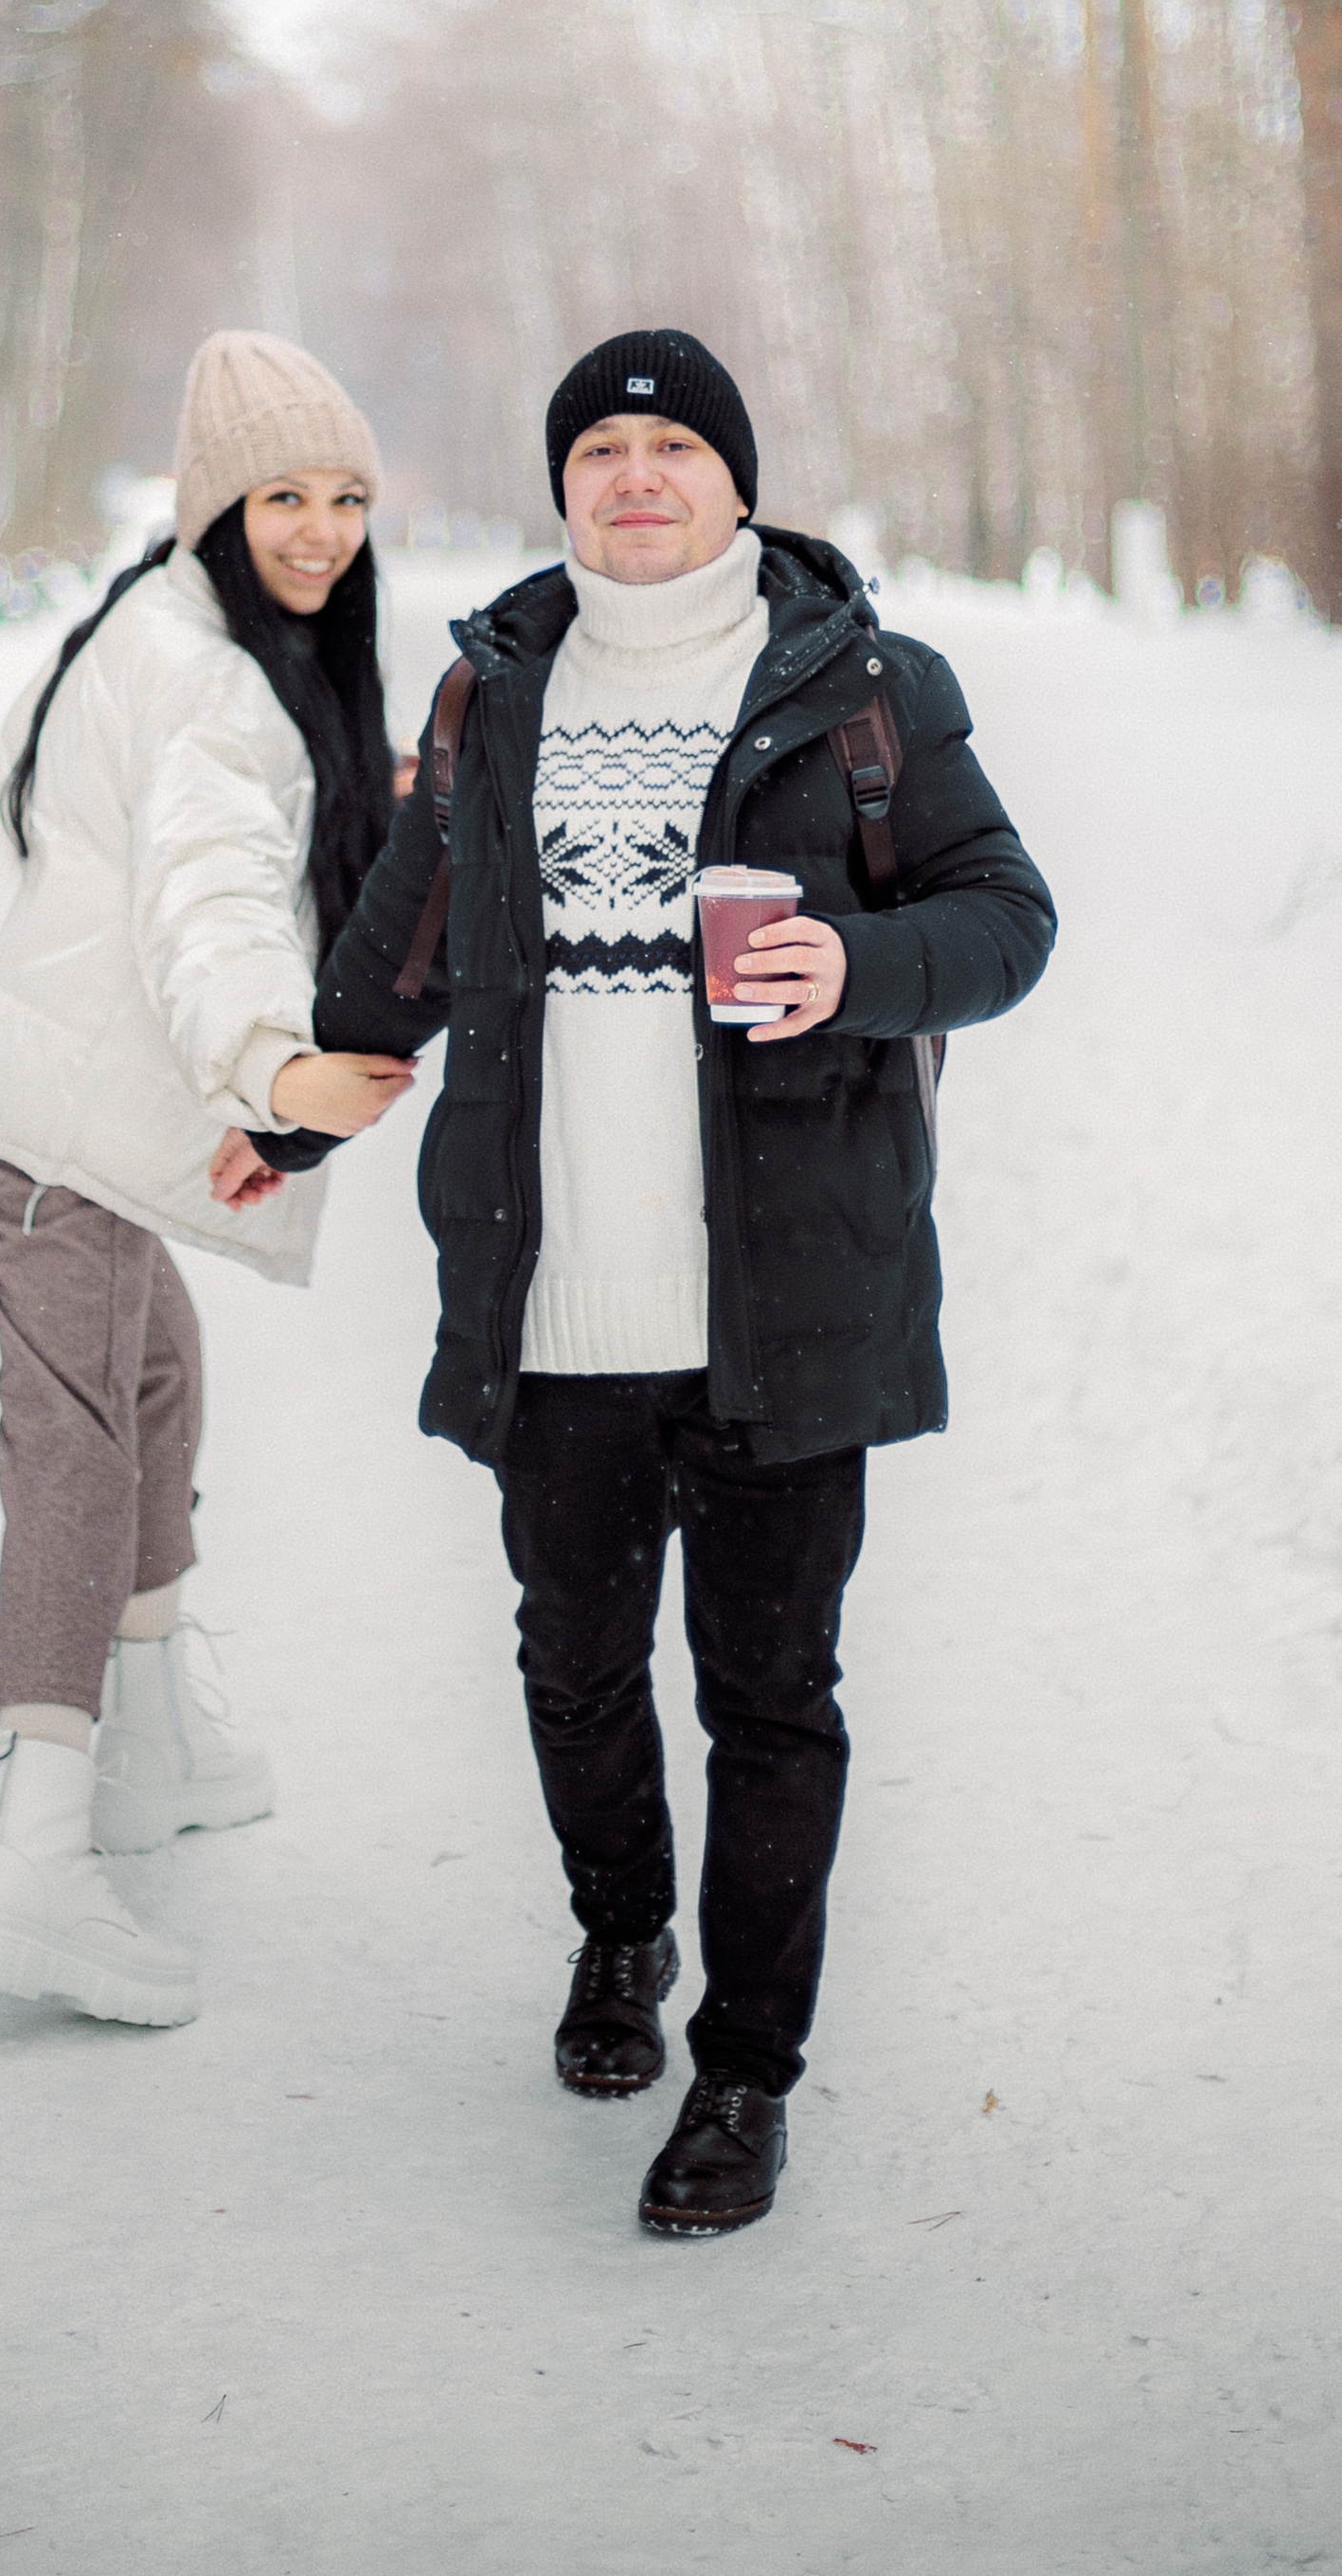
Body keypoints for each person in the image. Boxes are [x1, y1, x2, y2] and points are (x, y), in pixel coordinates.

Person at [281, 330, 1055, 2230]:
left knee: (771, 1698)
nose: (637, 479)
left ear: (736, 480)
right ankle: (620, 1931)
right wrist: (281, 1116)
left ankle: (743, 2074)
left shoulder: (863, 686)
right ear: (563, 490)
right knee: (573, 1666)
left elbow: (1004, 917)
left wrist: (856, 969)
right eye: (600, 455)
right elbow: (389, 957)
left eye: (674, 449)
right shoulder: (491, 693)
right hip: (552, 1305)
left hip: (785, 1303)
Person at [0, 332, 414, 2029]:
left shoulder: (176, 622)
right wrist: (280, 1073)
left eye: (347, 497)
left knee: (152, 1365)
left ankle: (156, 1736)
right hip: (31, 1105)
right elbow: (209, 896)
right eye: (283, 496)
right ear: (216, 506)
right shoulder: (210, 686)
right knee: (82, 1424)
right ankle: (37, 1847)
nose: (320, 531)